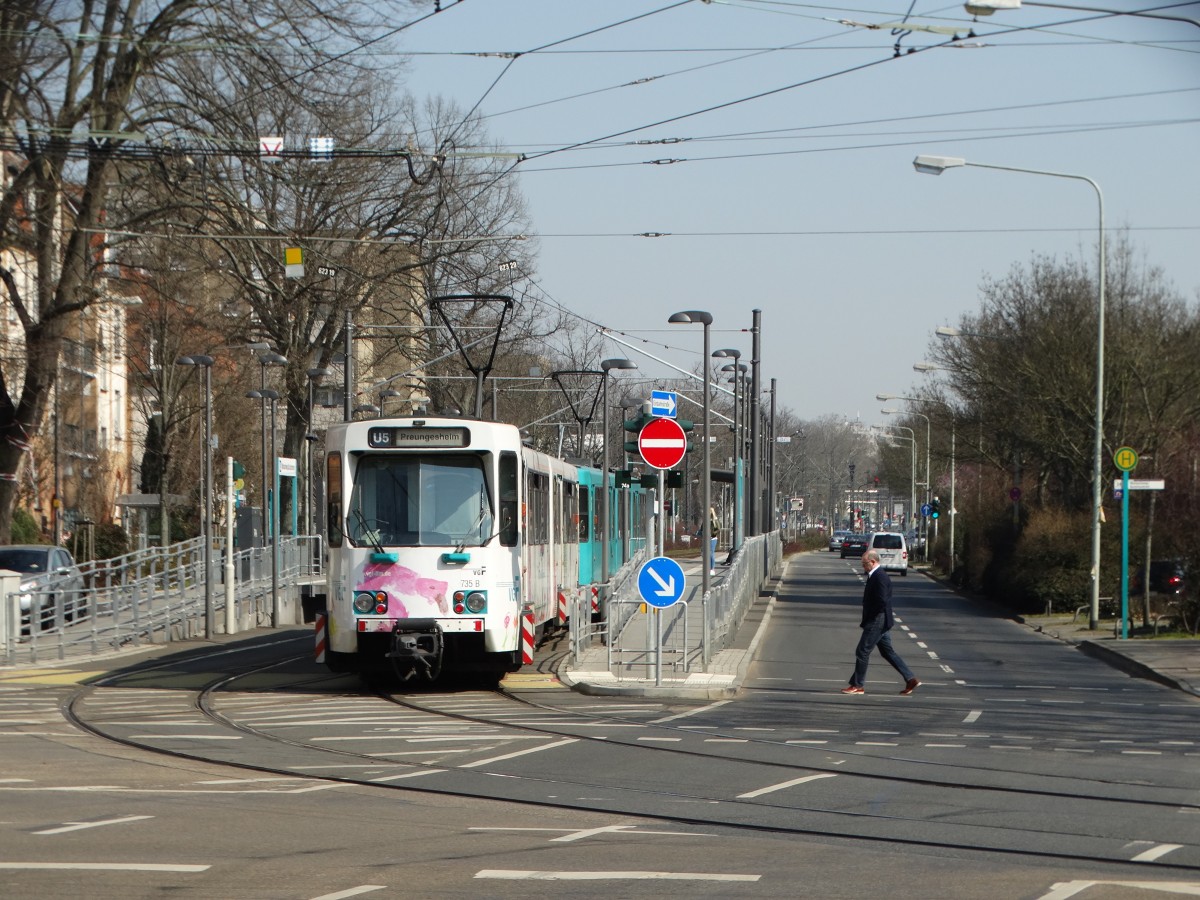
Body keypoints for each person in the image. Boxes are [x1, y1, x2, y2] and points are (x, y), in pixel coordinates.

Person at [842, 549, 920, 696]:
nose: (863, 566)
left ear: (873, 562)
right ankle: (910, 679)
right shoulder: (875, 575)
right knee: (887, 652)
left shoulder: (880, 577)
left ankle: (858, 685)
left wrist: (872, 616)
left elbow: (881, 601)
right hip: (880, 619)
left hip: (877, 619)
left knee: (862, 651)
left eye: (864, 563)